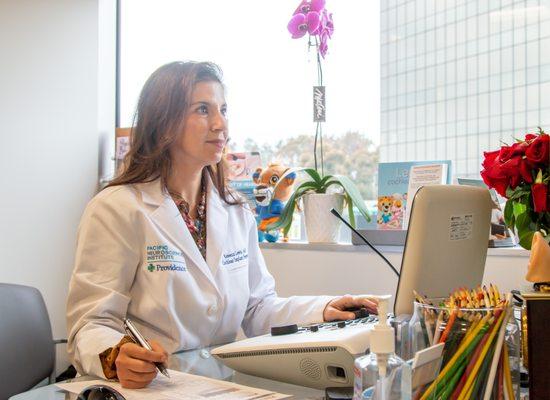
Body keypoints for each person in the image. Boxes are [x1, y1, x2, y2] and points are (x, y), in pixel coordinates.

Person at [66, 61, 378, 389]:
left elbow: (258, 308)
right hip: (147, 388)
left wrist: (324, 309)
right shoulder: (117, 208)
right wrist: (115, 356)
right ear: (164, 122)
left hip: (218, 386)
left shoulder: (235, 212)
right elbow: (90, 324)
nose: (220, 124)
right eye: (203, 109)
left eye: (223, 110)